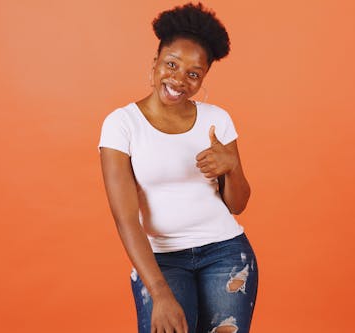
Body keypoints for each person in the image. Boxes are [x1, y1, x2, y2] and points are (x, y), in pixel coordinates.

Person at [98, 3, 258, 333]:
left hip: (226, 253)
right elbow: (125, 218)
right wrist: (159, 292)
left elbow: (238, 204)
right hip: (162, 259)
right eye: (171, 64)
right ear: (154, 63)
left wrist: (231, 168)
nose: (179, 79)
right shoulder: (122, 124)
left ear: (203, 78)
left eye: (193, 73)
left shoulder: (218, 120)